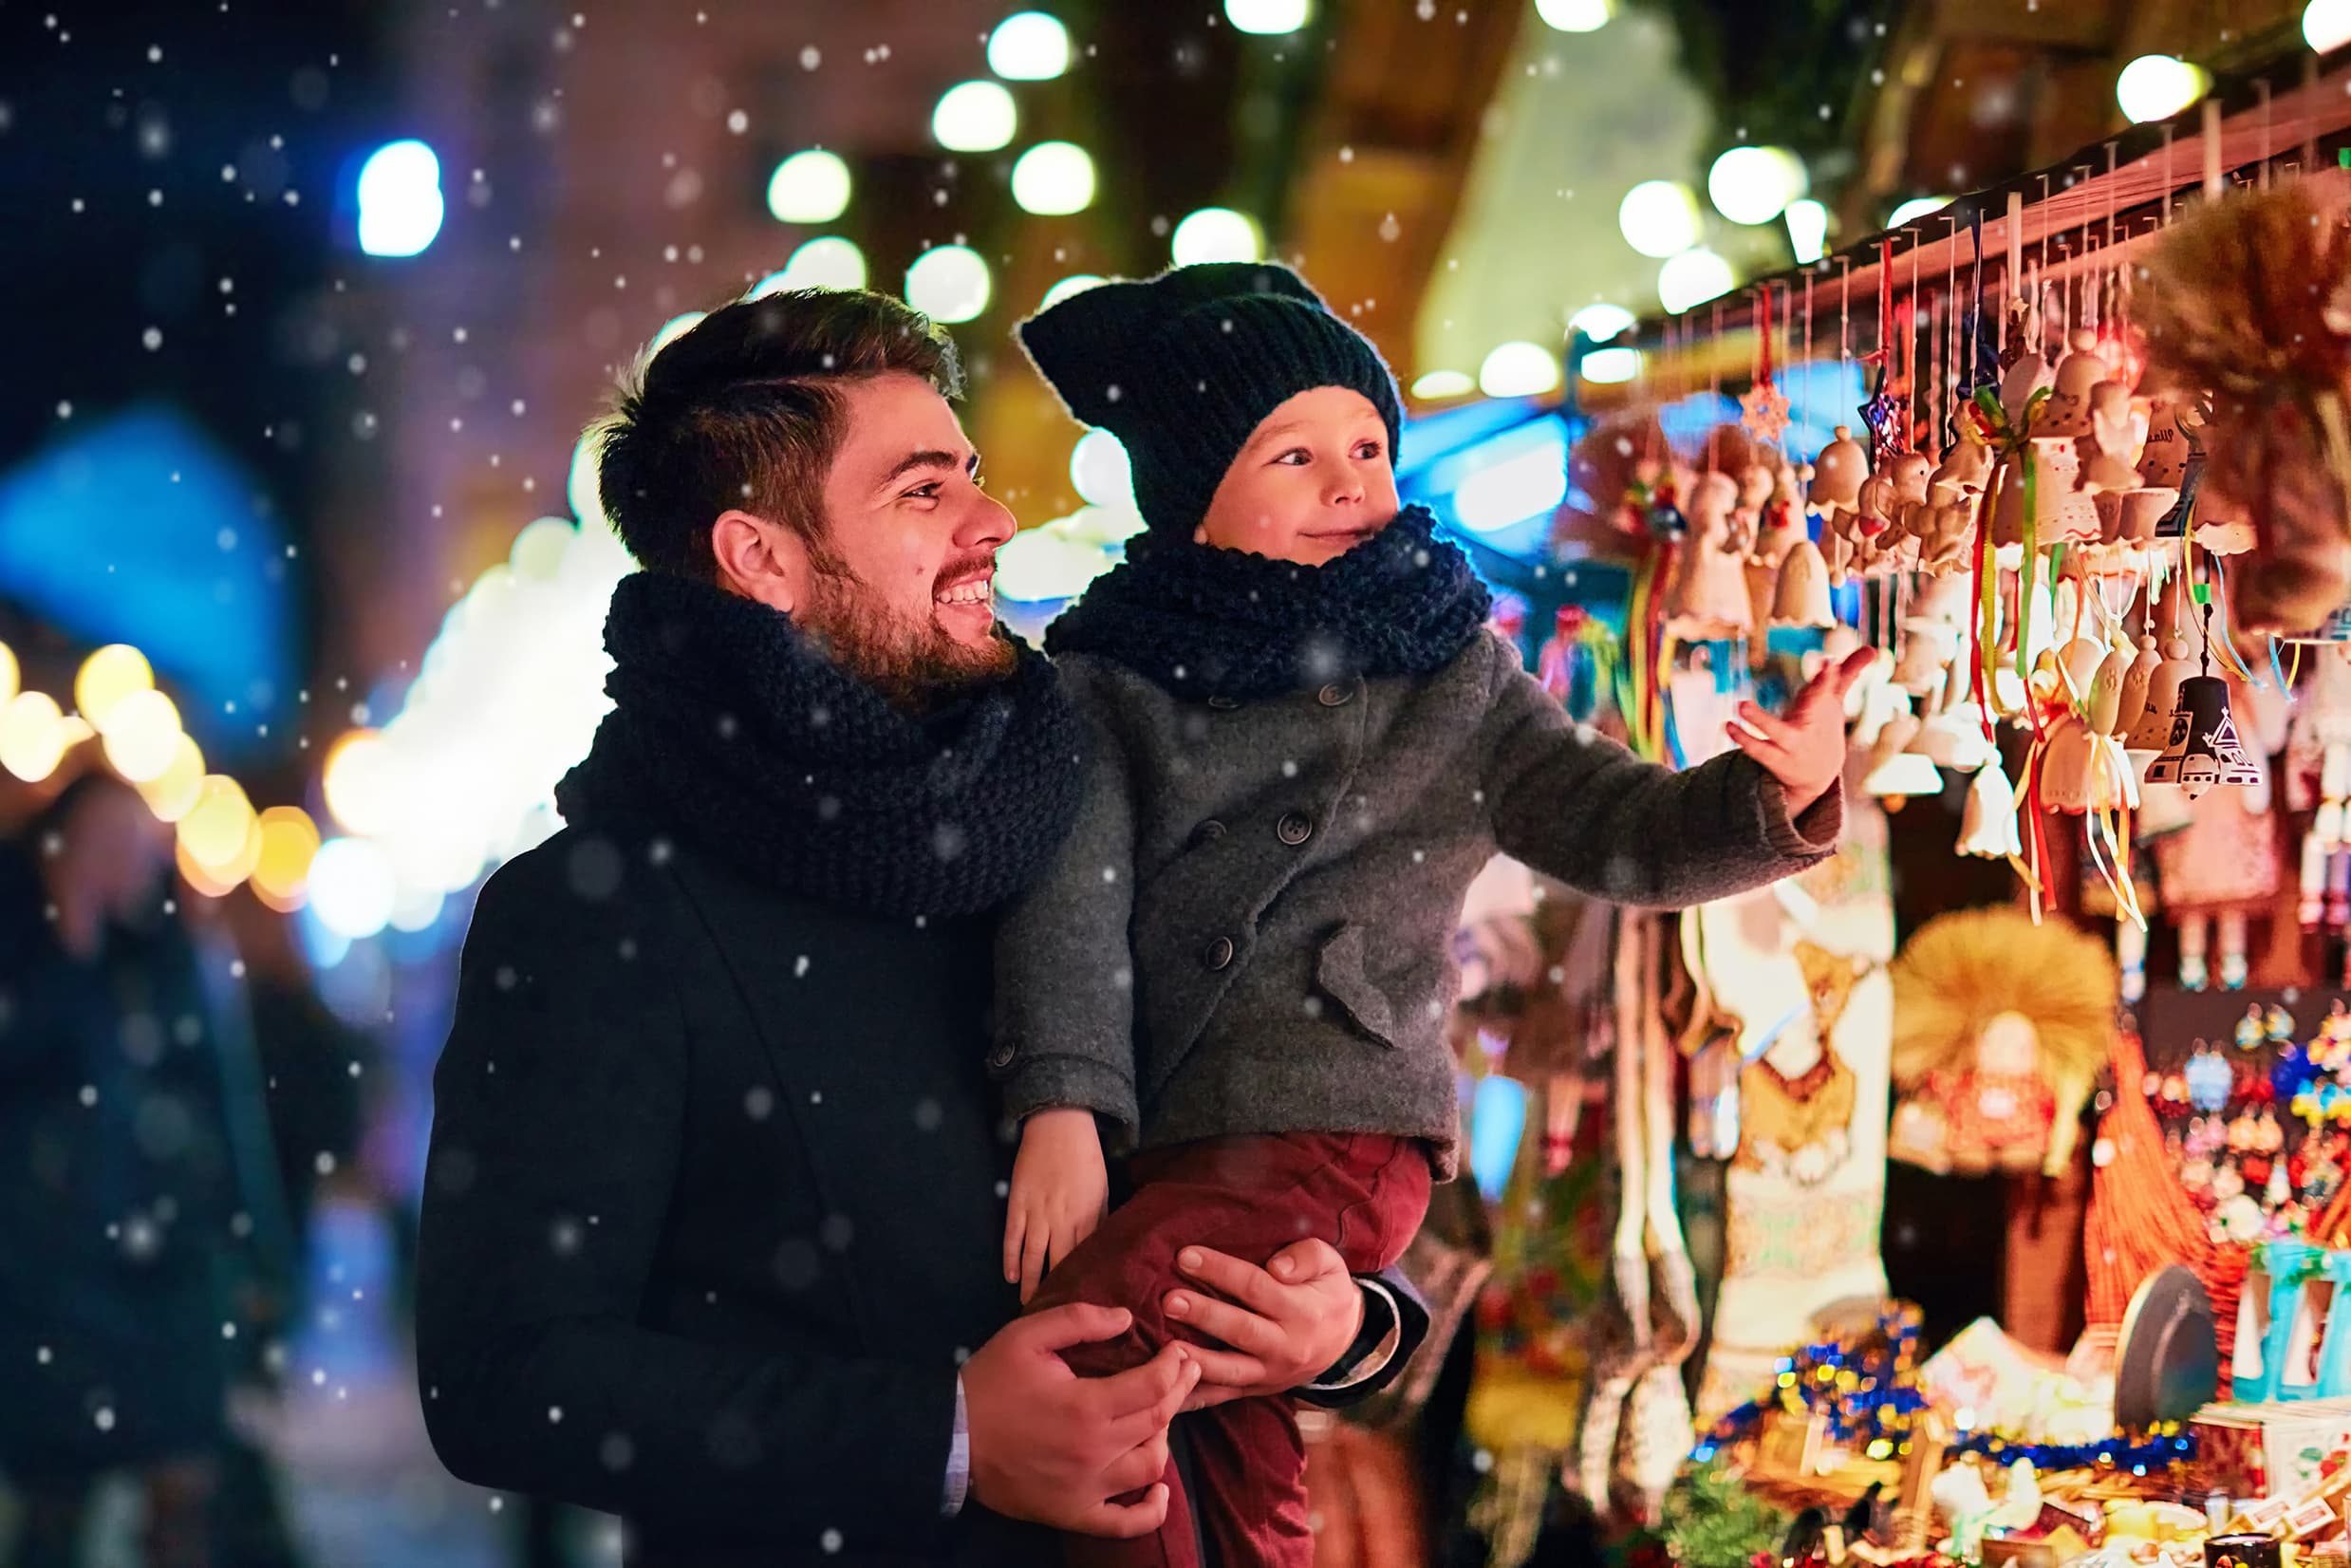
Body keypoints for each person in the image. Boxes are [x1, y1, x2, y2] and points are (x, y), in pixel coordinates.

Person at [413, 288, 1426, 1568]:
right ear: (759, 559)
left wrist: (1341, 1333)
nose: (992, 522)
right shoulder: (600, 914)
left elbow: (1289, 1143)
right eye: (921, 490)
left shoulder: (1082, 819)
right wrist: (943, 1437)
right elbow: (509, 1377)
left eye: (972, 477)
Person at [991, 261, 1871, 1567]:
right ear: (1190, 502)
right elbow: (1068, 896)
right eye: (1292, 455)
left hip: (1330, 1117)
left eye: (1366, 444)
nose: (1351, 481)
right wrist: (1063, 1104)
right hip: (1161, 1124)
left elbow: (1605, 819)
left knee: (1103, 1349)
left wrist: (1769, 798)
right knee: (1219, 1422)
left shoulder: (1449, 664)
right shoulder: (1104, 676)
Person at [0, 770, 246, 1568]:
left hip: (169, 1267)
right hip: (51, 1276)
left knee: (184, 1497)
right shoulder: (24, 951)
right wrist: (71, 940)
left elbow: (225, 1112)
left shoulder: (178, 958)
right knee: (53, 1502)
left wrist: (255, 1252)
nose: (126, 863)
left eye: (137, 844)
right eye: (104, 843)